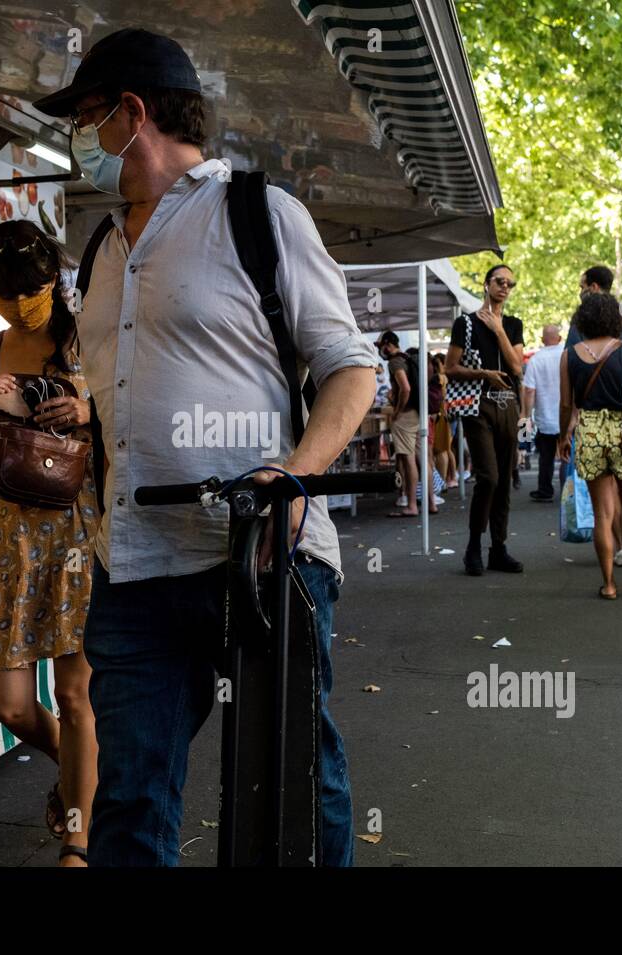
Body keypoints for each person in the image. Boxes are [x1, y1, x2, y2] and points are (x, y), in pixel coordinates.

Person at [32, 27, 378, 866]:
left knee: (294, 779)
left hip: (260, 559)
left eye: (84, 117)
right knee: (130, 796)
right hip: (135, 570)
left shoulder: (259, 215)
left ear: (132, 112)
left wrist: (293, 478)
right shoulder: (102, 250)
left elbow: (351, 369)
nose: (77, 141)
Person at [0, 220, 99, 866]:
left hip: (74, 537)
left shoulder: (89, 344)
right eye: (2, 296)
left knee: (74, 695)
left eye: (27, 291)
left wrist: (87, 411)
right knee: (8, 704)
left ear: (52, 282)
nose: (16, 305)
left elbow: (135, 421)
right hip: (7, 544)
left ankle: (79, 841)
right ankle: (85, 774)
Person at [557, 293, 622, 599]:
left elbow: (566, 403)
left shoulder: (569, 355)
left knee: (602, 514)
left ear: (582, 320)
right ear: (616, 319)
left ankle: (609, 584)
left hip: (590, 433)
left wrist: (563, 437)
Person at [444, 264, 525, 576]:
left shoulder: (514, 324)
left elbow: (517, 368)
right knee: (488, 477)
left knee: (504, 479)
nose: (505, 287)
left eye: (510, 283)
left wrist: (499, 330)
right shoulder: (464, 323)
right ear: (487, 284)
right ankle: (473, 545)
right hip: (476, 405)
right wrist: (483, 373)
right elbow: (450, 368)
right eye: (500, 281)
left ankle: (498, 548)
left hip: (508, 406)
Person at [376, 332, 433, 516]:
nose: (380, 351)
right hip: (418, 412)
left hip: (406, 416)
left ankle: (412, 505)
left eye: (380, 347)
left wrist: (397, 411)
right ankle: (431, 503)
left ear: (387, 344)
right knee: (423, 459)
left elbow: (405, 388)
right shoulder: (409, 357)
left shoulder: (394, 361)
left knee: (408, 460)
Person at [521, 324, 564, 502]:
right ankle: (570, 492)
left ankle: (545, 491)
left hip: (545, 417)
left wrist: (525, 415)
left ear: (542, 340)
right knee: (569, 456)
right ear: (560, 338)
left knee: (545, 458)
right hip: (567, 416)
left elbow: (529, 390)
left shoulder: (536, 360)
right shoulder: (567, 354)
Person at [430, 352, 459, 488]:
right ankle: (451, 477)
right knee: (447, 449)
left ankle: (443, 481)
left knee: (442, 450)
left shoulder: (438, 378)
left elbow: (440, 398)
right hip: (448, 415)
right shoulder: (445, 377)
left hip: (442, 415)